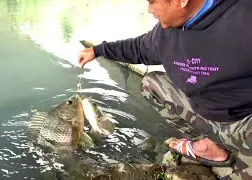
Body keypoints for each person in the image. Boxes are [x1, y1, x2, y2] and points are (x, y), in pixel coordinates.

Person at [78, 0, 252, 178]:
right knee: (151, 84)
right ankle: (209, 145)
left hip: (244, 124)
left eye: (152, 2)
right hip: (206, 114)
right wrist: (98, 50)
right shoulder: (166, 31)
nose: (149, 9)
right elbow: (139, 48)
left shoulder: (244, 18)